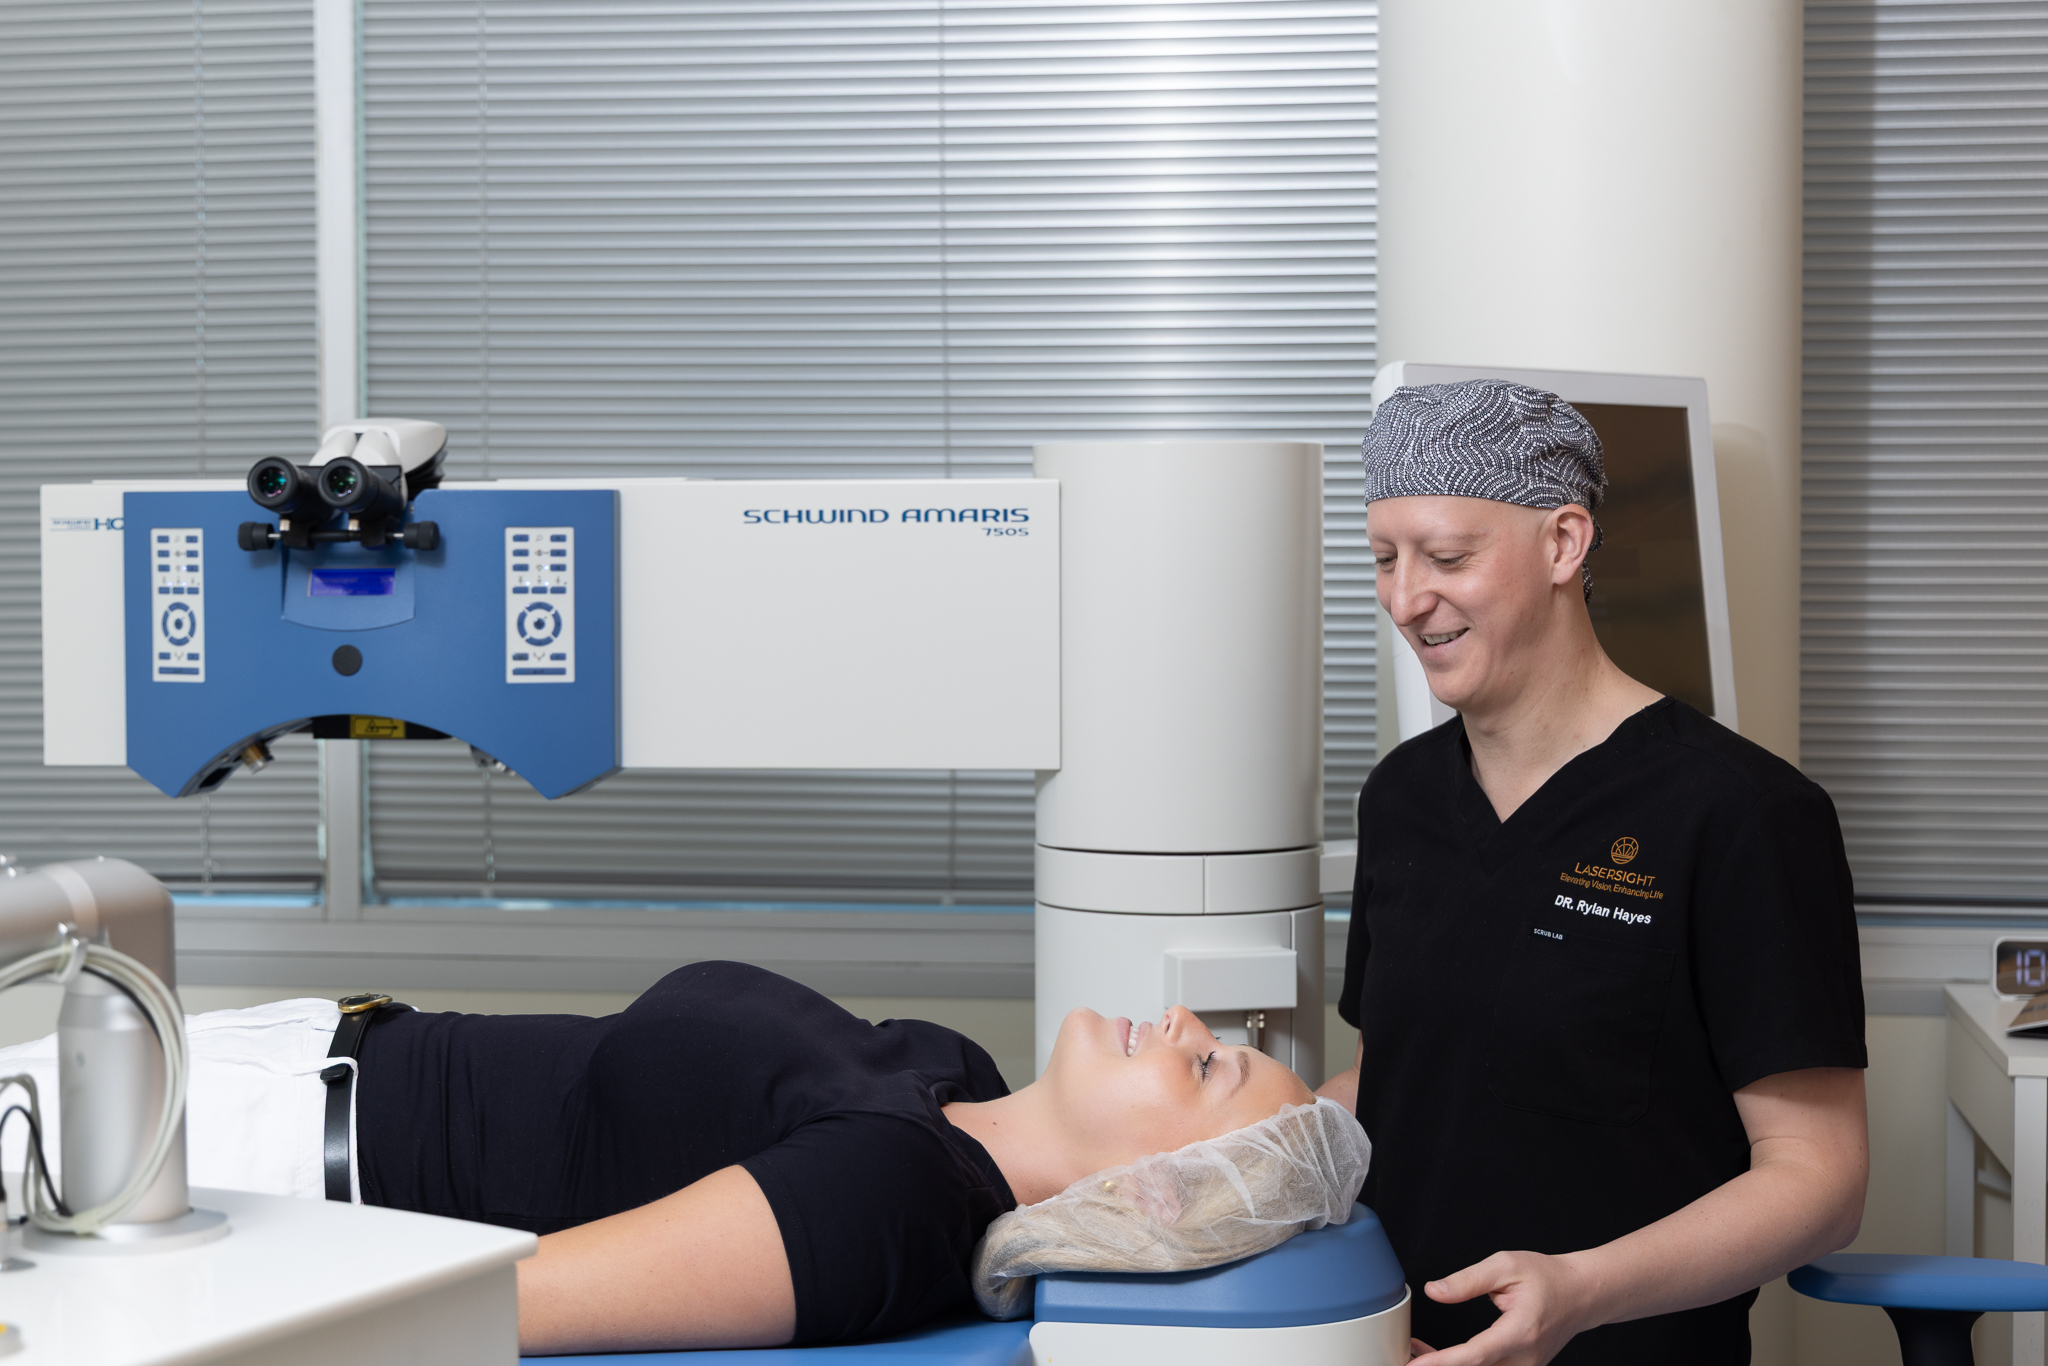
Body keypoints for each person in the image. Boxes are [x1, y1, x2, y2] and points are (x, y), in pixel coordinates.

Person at [1315, 380, 1869, 1366]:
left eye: (1447, 557)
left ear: (1563, 544)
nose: (1405, 599)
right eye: (1383, 559)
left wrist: (1578, 1292)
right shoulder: (1399, 795)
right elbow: (1401, 1071)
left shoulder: (1739, 813)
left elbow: (1817, 1179)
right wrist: (1229, 1167)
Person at [0, 959, 1343, 1354]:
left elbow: (494, 1306)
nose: (1183, 1023)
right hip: (283, 1058)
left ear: (1163, 1192)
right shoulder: (957, 1086)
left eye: (1208, 1064)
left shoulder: (890, 1203)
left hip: (267, 1171)